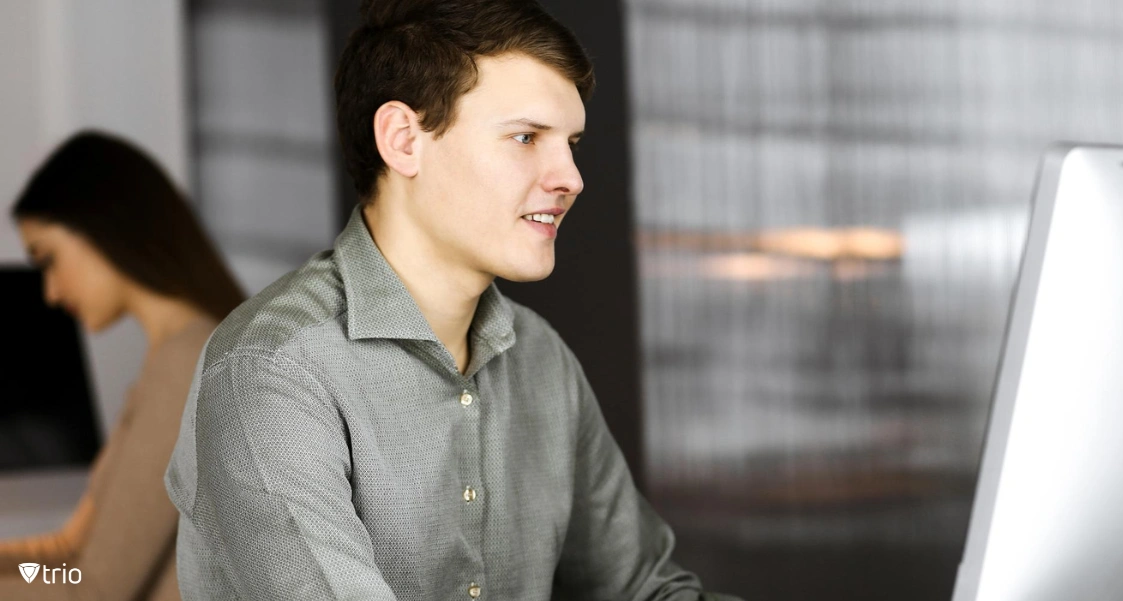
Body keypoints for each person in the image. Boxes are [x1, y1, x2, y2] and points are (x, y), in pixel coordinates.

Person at [165, 0, 743, 599]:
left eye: (570, 142)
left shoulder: (541, 358)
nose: (570, 176)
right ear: (403, 140)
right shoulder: (270, 372)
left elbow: (644, 588)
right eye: (525, 137)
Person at [0, 131, 245, 600]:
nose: (49, 292)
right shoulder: (171, 360)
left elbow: (94, 588)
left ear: (103, 229)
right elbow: (69, 554)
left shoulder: (187, 363)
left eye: (49, 259)